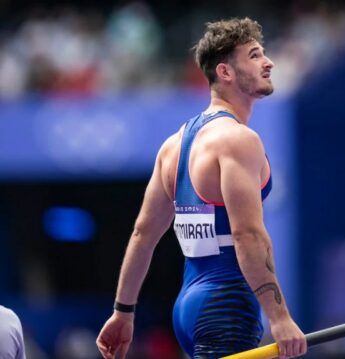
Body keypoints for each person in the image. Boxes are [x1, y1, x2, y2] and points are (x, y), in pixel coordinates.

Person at [96, 17, 306, 359]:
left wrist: (123, 312)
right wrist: (279, 318)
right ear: (225, 72)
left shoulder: (174, 145)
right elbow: (248, 236)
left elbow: (142, 236)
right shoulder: (238, 140)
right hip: (226, 305)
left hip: (189, 307)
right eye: (254, 56)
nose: (268, 62)